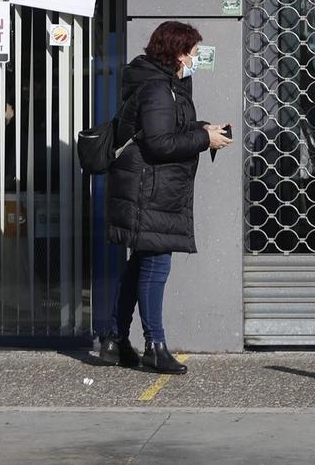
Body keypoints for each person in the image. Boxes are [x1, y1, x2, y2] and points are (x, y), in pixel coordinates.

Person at [96, 21, 233, 374]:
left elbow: (167, 129)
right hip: (150, 190)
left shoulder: (167, 84)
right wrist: (204, 141)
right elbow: (159, 144)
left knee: (139, 265)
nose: (196, 59)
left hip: (153, 188)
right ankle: (154, 346)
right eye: (193, 53)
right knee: (155, 267)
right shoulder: (158, 88)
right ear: (176, 52)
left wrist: (202, 129)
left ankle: (114, 340)